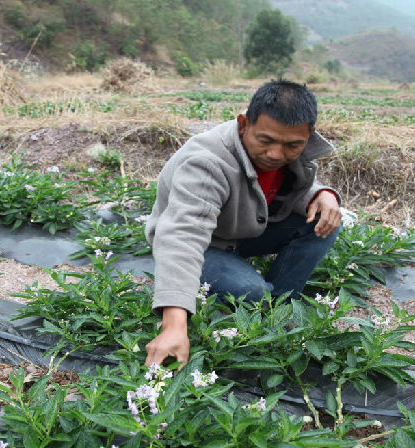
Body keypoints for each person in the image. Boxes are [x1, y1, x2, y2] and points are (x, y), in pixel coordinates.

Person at [143, 80, 341, 368]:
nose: (276, 154)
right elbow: (183, 236)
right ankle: (262, 306)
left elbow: (284, 191)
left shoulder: (284, 153)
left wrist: (321, 195)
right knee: (252, 293)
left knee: (325, 219)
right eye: (266, 141)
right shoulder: (207, 162)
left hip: (241, 228)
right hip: (206, 243)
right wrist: (174, 324)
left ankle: (281, 309)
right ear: (243, 124)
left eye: (292, 145)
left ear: (307, 136)